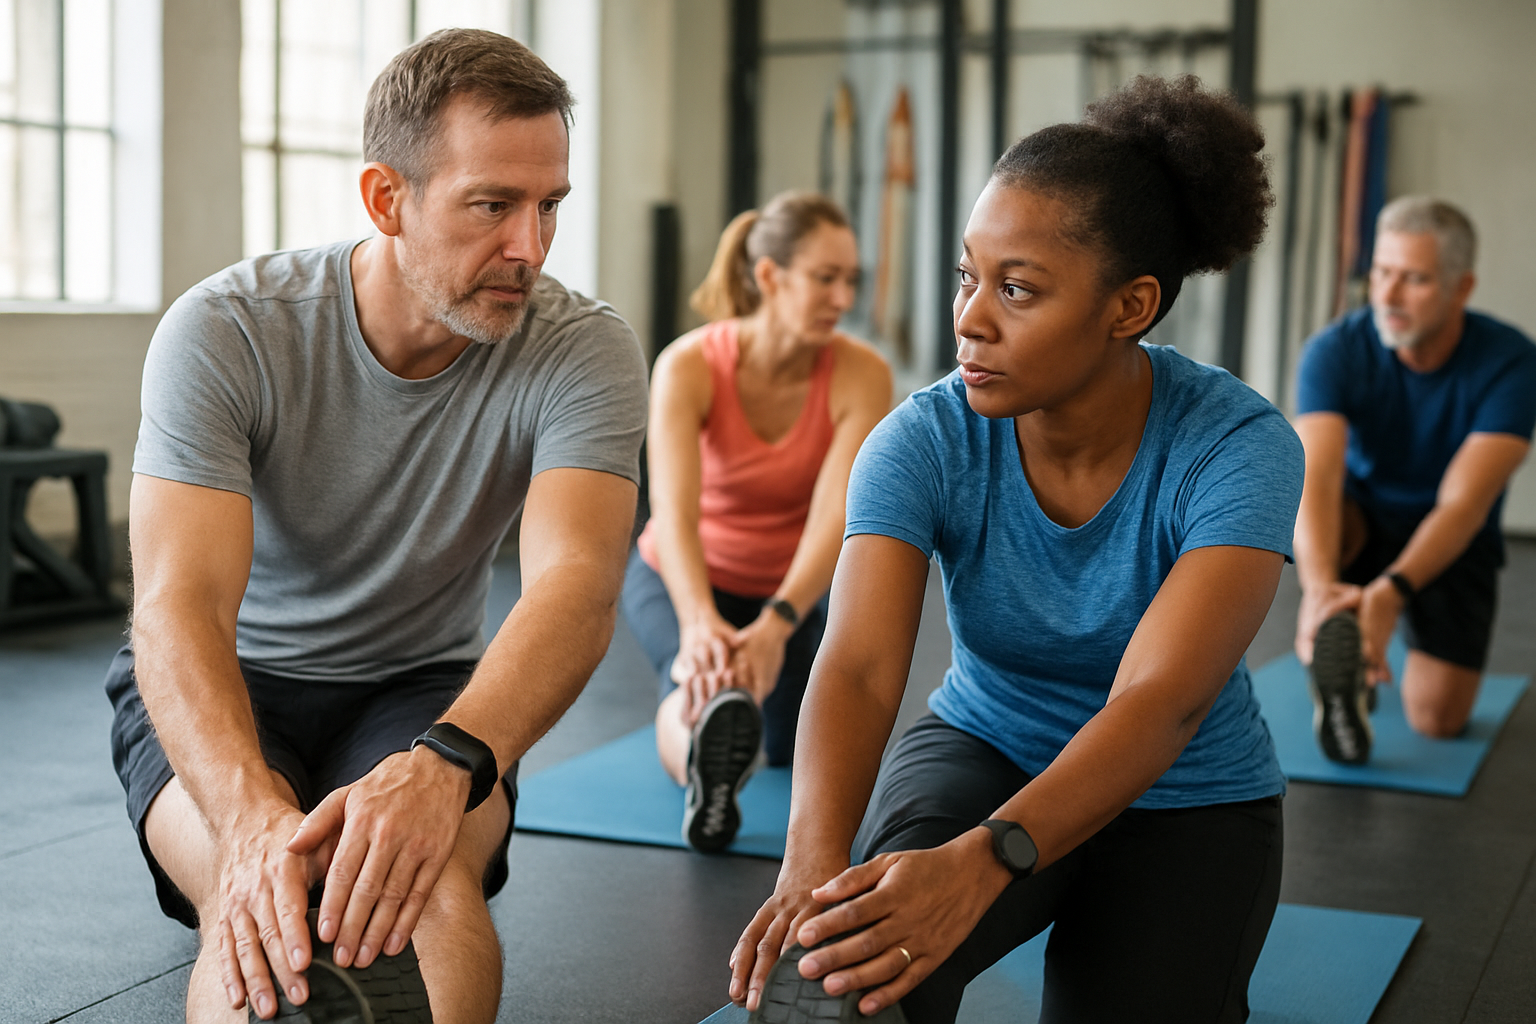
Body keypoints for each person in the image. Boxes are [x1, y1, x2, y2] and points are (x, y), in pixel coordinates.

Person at [728, 75, 1304, 1024]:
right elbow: (865, 664)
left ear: (1131, 307)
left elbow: (1162, 703)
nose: (970, 318)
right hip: (986, 744)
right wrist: (811, 868)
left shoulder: (1239, 447)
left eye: (1018, 289)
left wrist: (988, 857)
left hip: (1187, 796)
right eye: (968, 275)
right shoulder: (924, 440)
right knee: (847, 978)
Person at [105, 29, 647, 1024]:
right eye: (492, 204)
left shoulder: (584, 348)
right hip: (232, 677)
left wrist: (447, 765)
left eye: (550, 206)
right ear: (385, 199)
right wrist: (250, 820)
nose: (530, 245)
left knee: (418, 895)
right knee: (257, 891)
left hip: (424, 692)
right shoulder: (228, 329)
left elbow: (577, 581)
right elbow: (178, 602)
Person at [621, 192, 892, 853]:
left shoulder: (862, 374)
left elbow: (837, 516)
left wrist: (777, 621)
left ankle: (723, 734)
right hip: (680, 577)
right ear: (770, 276)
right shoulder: (688, 365)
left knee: (777, 746)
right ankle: (701, 767)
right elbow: (674, 512)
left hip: (789, 588)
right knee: (695, 679)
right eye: (824, 278)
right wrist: (697, 623)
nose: (841, 297)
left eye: (850, 280)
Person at [1292, 198, 1536, 764]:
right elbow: (1317, 475)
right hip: (1362, 519)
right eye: (1380, 272)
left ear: (1461, 286)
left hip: (1451, 536)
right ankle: (1343, 644)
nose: (1388, 295)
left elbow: (1464, 504)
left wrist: (1393, 593)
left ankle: (1365, 637)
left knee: (1438, 720)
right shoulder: (1334, 350)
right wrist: (1318, 588)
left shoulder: (1511, 363)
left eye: (1414, 279)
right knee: (1323, 506)